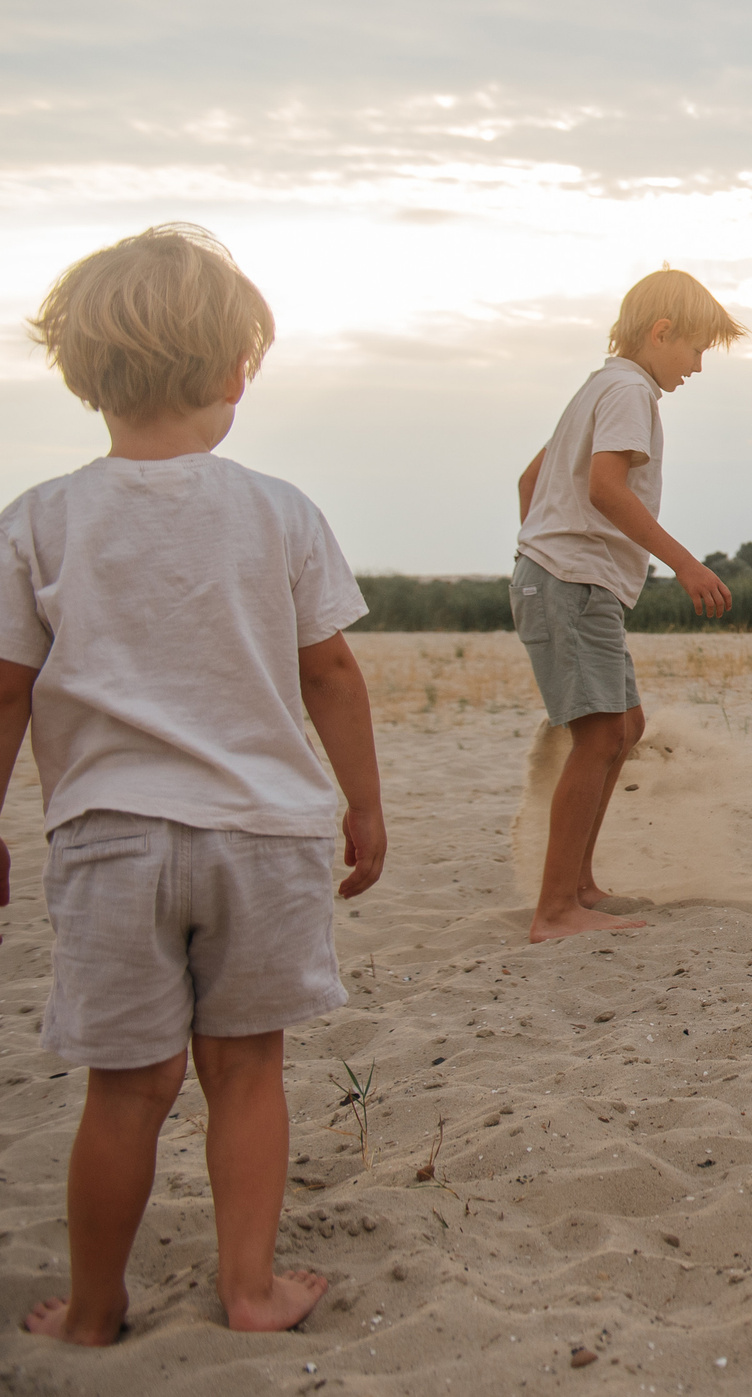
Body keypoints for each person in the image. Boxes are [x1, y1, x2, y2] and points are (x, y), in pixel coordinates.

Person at [0, 225, 386, 1344]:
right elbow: (331, 670)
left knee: (125, 1087)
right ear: (235, 372)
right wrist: (362, 803)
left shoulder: (39, 520)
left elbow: (7, 694)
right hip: (265, 834)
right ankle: (251, 1287)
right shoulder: (278, 509)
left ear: (82, 373)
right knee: (246, 1068)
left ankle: (96, 1309)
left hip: (111, 837)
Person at [513, 267, 744, 941]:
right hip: (572, 584)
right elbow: (607, 488)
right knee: (599, 737)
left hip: (567, 579)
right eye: (696, 348)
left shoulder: (598, 387)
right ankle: (555, 909)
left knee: (625, 727)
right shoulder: (629, 391)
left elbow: (532, 478)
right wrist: (684, 563)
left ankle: (578, 884)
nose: (699, 366)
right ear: (661, 331)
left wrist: (537, 549)